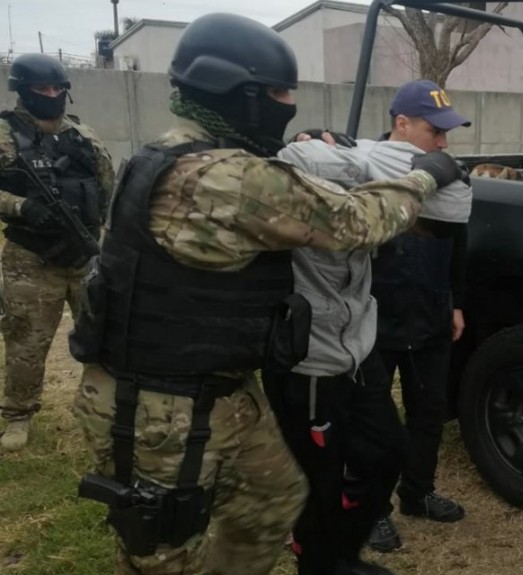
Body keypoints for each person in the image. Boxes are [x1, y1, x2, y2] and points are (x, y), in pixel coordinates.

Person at [68, 13, 464, 575]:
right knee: (163, 551)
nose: (289, 104)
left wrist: (316, 148)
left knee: (276, 501)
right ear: (240, 95)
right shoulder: (223, 177)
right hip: (158, 407)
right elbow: (357, 221)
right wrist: (426, 175)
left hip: (214, 389)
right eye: (280, 93)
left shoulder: (170, 154)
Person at [266, 125, 465, 575]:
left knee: (388, 450)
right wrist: (425, 176)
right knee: (318, 476)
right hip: (312, 361)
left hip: (357, 352)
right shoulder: (326, 194)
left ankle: (341, 544)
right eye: (424, 227)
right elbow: (367, 218)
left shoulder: (363, 172)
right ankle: (317, 557)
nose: (421, 235)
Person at [367, 79, 473, 553]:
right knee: (372, 421)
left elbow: (459, 241)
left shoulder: (448, 177)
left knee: (429, 412)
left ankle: (418, 492)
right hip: (375, 317)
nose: (444, 143)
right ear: (402, 124)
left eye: (447, 133)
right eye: (436, 132)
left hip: (430, 311)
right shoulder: (366, 171)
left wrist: (456, 301)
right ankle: (372, 509)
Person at [0, 53, 114, 451]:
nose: (51, 95)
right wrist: (21, 207)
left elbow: (106, 186)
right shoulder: (4, 134)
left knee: (103, 335)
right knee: (26, 342)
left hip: (85, 255)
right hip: (30, 259)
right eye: (41, 88)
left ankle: (105, 407)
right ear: (22, 90)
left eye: (57, 88)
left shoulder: (84, 135)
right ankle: (18, 415)